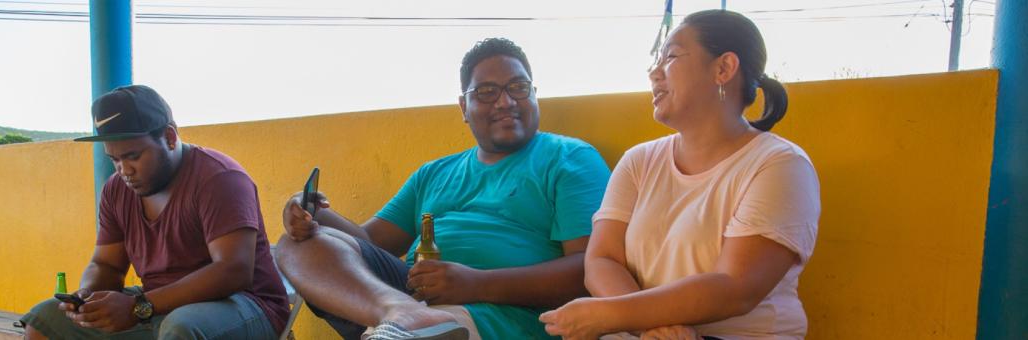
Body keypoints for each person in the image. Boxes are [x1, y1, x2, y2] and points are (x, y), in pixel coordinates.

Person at [275, 38, 611, 340]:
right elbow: (369, 245)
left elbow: (588, 270)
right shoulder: (434, 173)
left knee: (433, 325)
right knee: (297, 246)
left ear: (534, 94)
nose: (506, 102)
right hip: (409, 300)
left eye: (518, 87)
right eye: (487, 92)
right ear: (464, 108)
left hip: (501, 314)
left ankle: (411, 325)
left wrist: (476, 283)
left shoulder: (569, 158)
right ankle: (404, 317)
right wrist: (316, 215)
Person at [540, 10, 821, 340]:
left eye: (670, 57)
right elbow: (602, 259)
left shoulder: (779, 164)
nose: (654, 74)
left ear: (724, 68)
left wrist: (609, 315)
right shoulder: (639, 161)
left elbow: (737, 286)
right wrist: (651, 328)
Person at [21, 85, 289, 340]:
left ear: (170, 137)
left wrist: (139, 307)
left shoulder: (219, 178)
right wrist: (88, 297)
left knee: (181, 326)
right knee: (45, 320)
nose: (124, 170)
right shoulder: (116, 190)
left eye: (133, 156)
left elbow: (233, 271)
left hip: (246, 307)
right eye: (114, 159)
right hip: (157, 307)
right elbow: (107, 265)